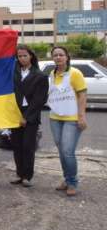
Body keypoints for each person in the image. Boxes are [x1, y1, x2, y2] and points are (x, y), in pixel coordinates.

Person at [47, 46, 88, 197]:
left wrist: (82, 116)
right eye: (55, 55)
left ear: (67, 57)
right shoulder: (52, 73)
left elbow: (82, 95)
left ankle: (72, 182)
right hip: (55, 118)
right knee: (62, 151)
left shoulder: (75, 73)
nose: (58, 57)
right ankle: (66, 179)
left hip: (72, 118)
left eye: (61, 55)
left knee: (67, 151)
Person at [10, 45, 48, 187]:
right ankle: (19, 174)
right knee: (17, 146)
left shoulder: (40, 76)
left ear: (31, 56)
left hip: (30, 114)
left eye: (24, 55)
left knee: (28, 146)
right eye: (19, 56)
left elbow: (40, 100)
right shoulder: (14, 73)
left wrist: (26, 117)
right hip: (15, 112)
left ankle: (27, 176)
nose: (22, 58)